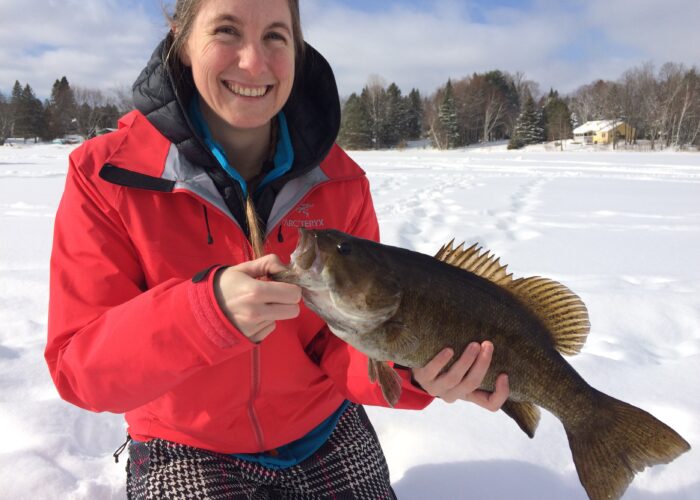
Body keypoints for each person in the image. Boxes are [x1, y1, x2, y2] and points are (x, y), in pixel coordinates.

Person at [45, 0, 509, 498]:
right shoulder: (107, 176)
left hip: (324, 430)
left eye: (275, 36)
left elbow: (343, 340)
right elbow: (82, 369)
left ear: (297, 47)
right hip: (185, 442)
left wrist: (411, 368)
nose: (254, 62)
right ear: (181, 41)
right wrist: (202, 314)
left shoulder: (341, 179)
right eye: (226, 30)